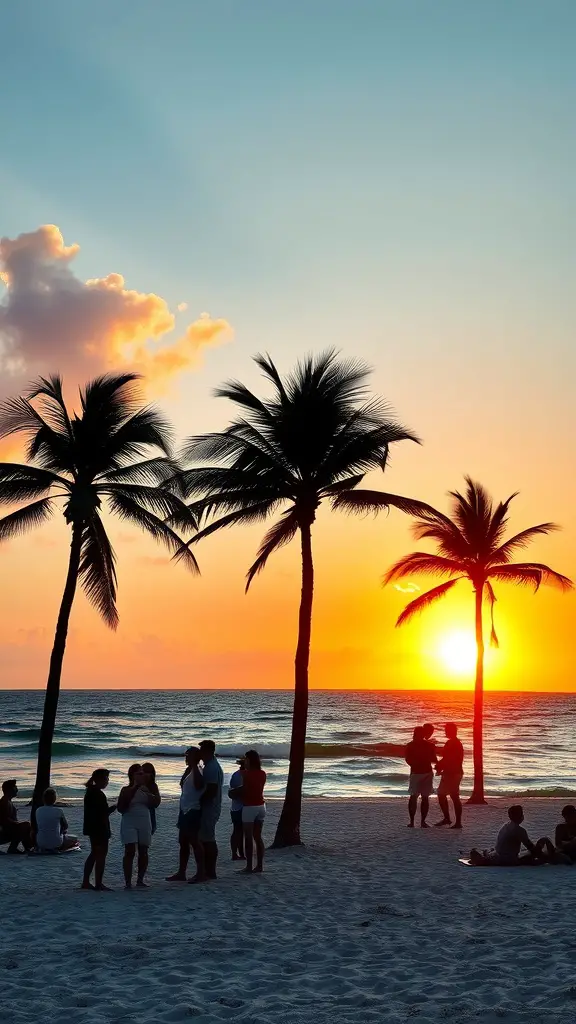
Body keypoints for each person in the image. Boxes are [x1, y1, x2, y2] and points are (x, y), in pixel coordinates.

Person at [118, 763, 161, 889]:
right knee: (129, 850)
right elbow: (121, 808)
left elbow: (156, 803)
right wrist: (135, 787)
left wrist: (148, 792)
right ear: (132, 775)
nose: (143, 776)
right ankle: (127, 882)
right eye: (139, 773)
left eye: (143, 773)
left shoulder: (151, 787)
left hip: (144, 819)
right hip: (129, 820)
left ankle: (140, 880)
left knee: (143, 850)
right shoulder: (126, 789)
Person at [166, 747, 205, 882]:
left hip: (193, 810)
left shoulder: (198, 769)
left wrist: (194, 766)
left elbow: (199, 785)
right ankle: (181, 872)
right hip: (184, 809)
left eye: (188, 755)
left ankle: (201, 873)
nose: (186, 757)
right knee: (183, 841)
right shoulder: (189, 770)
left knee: (194, 841)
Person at [470, 805, 558, 866]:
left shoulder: (506, 825)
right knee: (543, 842)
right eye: (521, 814)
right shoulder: (519, 830)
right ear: (520, 816)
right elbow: (531, 848)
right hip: (509, 860)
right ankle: (552, 857)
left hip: (498, 855)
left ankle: (483, 857)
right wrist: (542, 848)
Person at [81, 769, 116, 890]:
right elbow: (103, 813)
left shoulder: (90, 792)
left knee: (94, 854)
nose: (107, 781)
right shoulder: (98, 794)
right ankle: (98, 883)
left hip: (92, 827)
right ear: (100, 780)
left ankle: (86, 881)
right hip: (99, 828)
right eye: (106, 779)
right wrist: (115, 807)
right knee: (101, 855)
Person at [197, 739, 224, 882]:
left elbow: (211, 790)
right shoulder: (211, 765)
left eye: (201, 750)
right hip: (212, 806)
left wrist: (199, 802)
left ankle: (210, 871)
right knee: (207, 838)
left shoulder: (211, 767)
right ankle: (209, 871)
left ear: (207, 751)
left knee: (208, 839)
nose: (199, 752)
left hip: (209, 807)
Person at [238, 749, 266, 874]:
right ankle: (259, 865)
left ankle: (249, 866)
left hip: (249, 807)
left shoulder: (246, 774)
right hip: (261, 806)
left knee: (248, 837)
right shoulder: (262, 773)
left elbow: (244, 789)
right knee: (258, 837)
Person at [405, 726, 437, 828]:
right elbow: (434, 759)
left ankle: (412, 822)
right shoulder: (430, 745)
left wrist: (415, 764)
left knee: (413, 797)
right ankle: (423, 822)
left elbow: (408, 760)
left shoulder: (410, 745)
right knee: (425, 797)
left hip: (415, 772)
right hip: (427, 772)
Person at [434, 723, 464, 829]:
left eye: (446, 730)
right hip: (454, 772)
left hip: (452, 773)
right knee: (449, 795)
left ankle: (455, 821)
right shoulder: (455, 743)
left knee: (451, 796)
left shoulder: (452, 743)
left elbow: (449, 759)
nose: (445, 732)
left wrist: (440, 766)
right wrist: (440, 765)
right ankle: (450, 819)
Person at [34, 788, 79, 852]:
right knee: (75, 839)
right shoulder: (59, 810)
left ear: (43, 799)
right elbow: (66, 826)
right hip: (56, 843)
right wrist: (62, 831)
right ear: (55, 799)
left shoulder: (38, 810)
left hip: (41, 842)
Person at [0, 779, 33, 853]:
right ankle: (13, 848)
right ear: (9, 790)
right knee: (26, 825)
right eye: (15, 787)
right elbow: (3, 819)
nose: (17, 789)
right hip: (5, 832)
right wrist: (16, 823)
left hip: (8, 830)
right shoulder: (4, 801)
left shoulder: (7, 801)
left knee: (26, 825)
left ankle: (28, 848)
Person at [228, 757, 246, 861]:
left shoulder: (236, 774)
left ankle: (236, 853)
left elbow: (232, 790)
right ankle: (239, 853)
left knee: (237, 831)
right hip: (242, 807)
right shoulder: (244, 775)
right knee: (240, 831)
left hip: (235, 807)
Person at [141, 762, 160, 835]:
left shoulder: (153, 786)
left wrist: (147, 792)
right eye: (144, 772)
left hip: (149, 817)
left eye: (148, 772)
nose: (145, 774)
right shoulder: (136, 784)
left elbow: (157, 803)